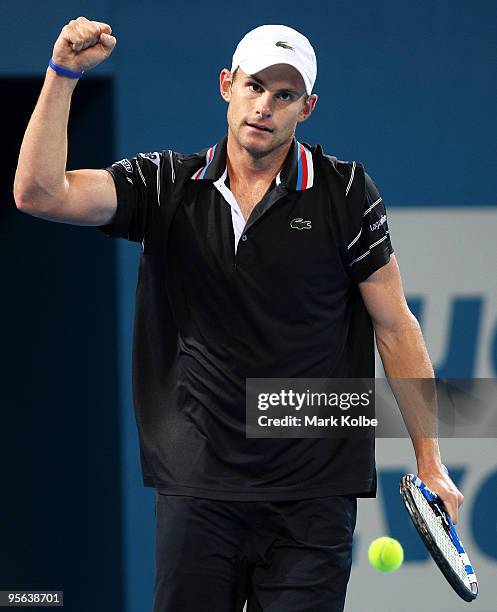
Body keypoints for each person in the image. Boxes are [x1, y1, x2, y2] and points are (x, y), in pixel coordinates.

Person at [14, 17, 464, 612]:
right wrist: (63, 73)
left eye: (285, 96)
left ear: (308, 107)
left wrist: (430, 461)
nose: (264, 106)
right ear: (226, 85)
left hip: (313, 493)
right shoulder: (164, 185)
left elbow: (395, 326)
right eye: (254, 86)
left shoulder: (348, 193)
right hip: (198, 488)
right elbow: (39, 193)